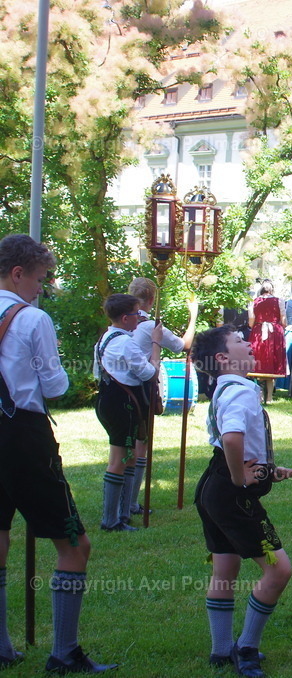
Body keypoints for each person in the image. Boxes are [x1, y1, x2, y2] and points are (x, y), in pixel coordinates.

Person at [0, 234, 116, 673]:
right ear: (18, 273)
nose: (42, 287)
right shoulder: (32, 319)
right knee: (74, 544)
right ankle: (64, 651)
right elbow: (54, 386)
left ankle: (2, 645)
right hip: (23, 436)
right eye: (40, 278)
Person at [191, 326, 292, 677]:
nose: (248, 343)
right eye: (238, 342)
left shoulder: (226, 388)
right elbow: (233, 439)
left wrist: (267, 469)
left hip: (212, 486)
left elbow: (231, 444)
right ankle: (246, 648)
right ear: (222, 358)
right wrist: (241, 479)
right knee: (279, 569)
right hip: (231, 494)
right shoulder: (241, 391)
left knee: (225, 568)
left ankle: (220, 651)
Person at [126, 276, 198, 519]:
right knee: (139, 445)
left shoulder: (121, 323)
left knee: (125, 446)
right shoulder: (148, 326)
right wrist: (194, 315)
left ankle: (127, 501)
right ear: (151, 299)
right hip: (142, 388)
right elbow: (183, 345)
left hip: (120, 389)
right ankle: (131, 502)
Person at [94, 293, 161, 532]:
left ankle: (122, 513)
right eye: (136, 314)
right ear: (125, 318)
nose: (140, 317)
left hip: (107, 398)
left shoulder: (105, 338)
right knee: (119, 459)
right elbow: (148, 373)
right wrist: (155, 345)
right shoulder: (125, 342)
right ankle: (111, 520)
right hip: (122, 403)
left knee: (129, 456)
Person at [248, 281, 287, 403]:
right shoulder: (279, 301)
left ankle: (259, 396)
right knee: (271, 363)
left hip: (258, 332)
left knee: (259, 363)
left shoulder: (253, 301)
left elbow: (251, 321)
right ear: (272, 289)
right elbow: (284, 320)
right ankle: (269, 397)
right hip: (274, 333)